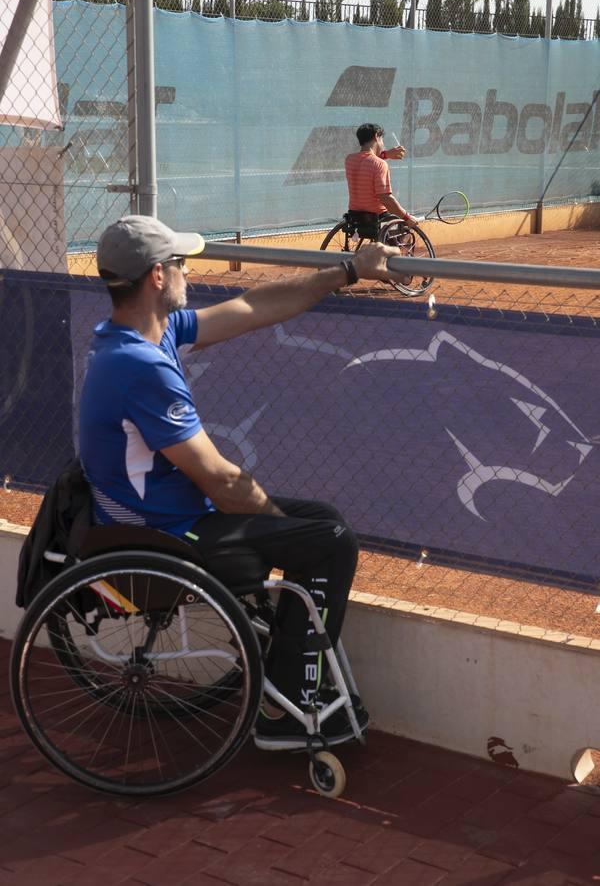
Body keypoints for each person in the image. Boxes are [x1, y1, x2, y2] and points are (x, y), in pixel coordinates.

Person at [79, 215, 405, 749]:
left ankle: (286, 676)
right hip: (165, 536)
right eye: (180, 262)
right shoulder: (141, 365)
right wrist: (277, 522)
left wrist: (346, 271)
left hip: (168, 516)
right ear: (157, 277)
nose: (189, 270)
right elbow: (223, 482)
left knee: (321, 522)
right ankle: (285, 709)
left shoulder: (133, 335)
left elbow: (254, 308)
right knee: (330, 539)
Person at [345, 122, 418, 232]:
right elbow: (385, 198)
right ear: (376, 137)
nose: (383, 144)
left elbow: (365, 160)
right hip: (378, 218)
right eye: (382, 139)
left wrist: (385, 155)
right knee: (407, 228)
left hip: (355, 217)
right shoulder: (380, 164)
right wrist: (407, 217)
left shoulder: (349, 160)